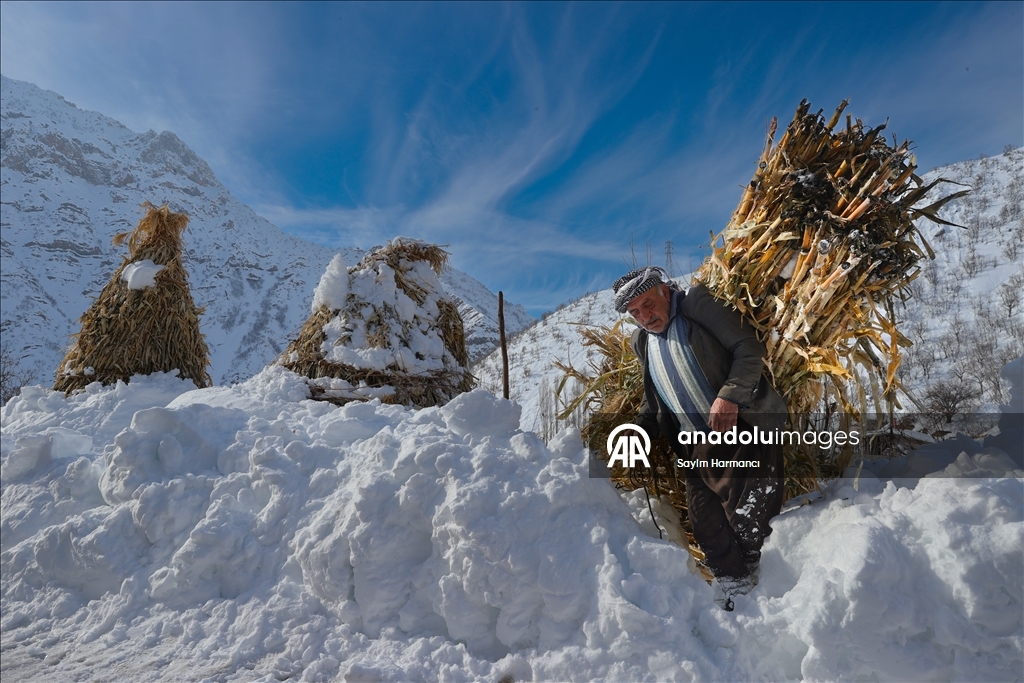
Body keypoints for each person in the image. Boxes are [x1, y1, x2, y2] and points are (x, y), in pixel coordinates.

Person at [612, 266, 786, 611]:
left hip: (741, 429)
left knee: (749, 514)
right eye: (634, 313)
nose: (644, 317)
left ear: (664, 290)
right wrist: (638, 431)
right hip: (694, 444)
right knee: (705, 522)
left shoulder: (697, 304)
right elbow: (654, 396)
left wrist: (731, 396)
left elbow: (748, 347)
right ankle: (736, 588)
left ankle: (768, 596)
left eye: (648, 304)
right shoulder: (641, 341)